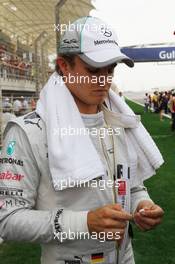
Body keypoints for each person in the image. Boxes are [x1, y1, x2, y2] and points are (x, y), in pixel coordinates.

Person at [0, 16, 164, 264]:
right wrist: (84, 222)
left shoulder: (120, 121)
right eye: (93, 70)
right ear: (64, 66)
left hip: (124, 256)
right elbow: (8, 219)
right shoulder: (27, 132)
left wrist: (143, 203)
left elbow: (129, 184)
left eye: (110, 69)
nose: (104, 80)